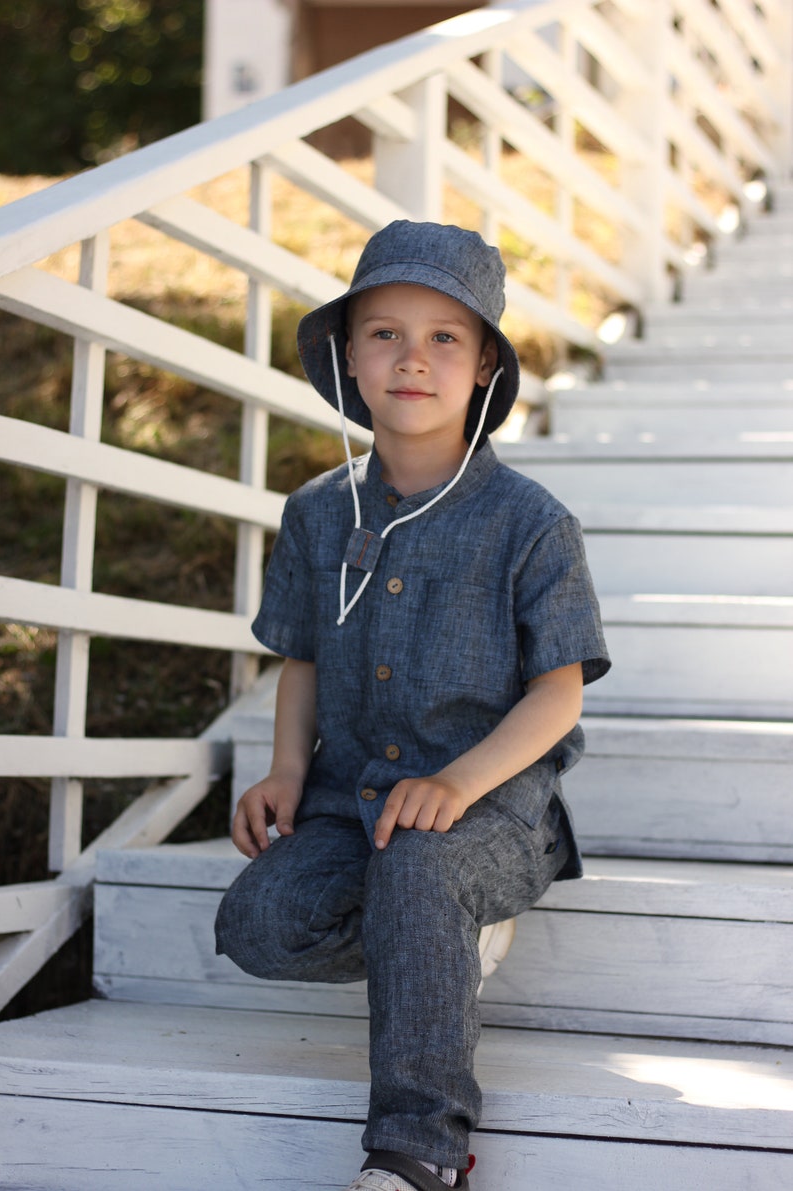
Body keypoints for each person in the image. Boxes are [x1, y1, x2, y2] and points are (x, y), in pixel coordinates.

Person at [215, 220, 610, 1191]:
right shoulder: (316, 513)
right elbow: (302, 655)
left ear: (481, 367)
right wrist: (286, 772)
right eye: (384, 333)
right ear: (348, 355)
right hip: (351, 800)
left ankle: (418, 1146)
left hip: (486, 809)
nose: (412, 358)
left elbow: (556, 695)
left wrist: (456, 782)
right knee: (256, 923)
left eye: (444, 338)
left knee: (423, 862)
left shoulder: (528, 524)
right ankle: (436, 939)